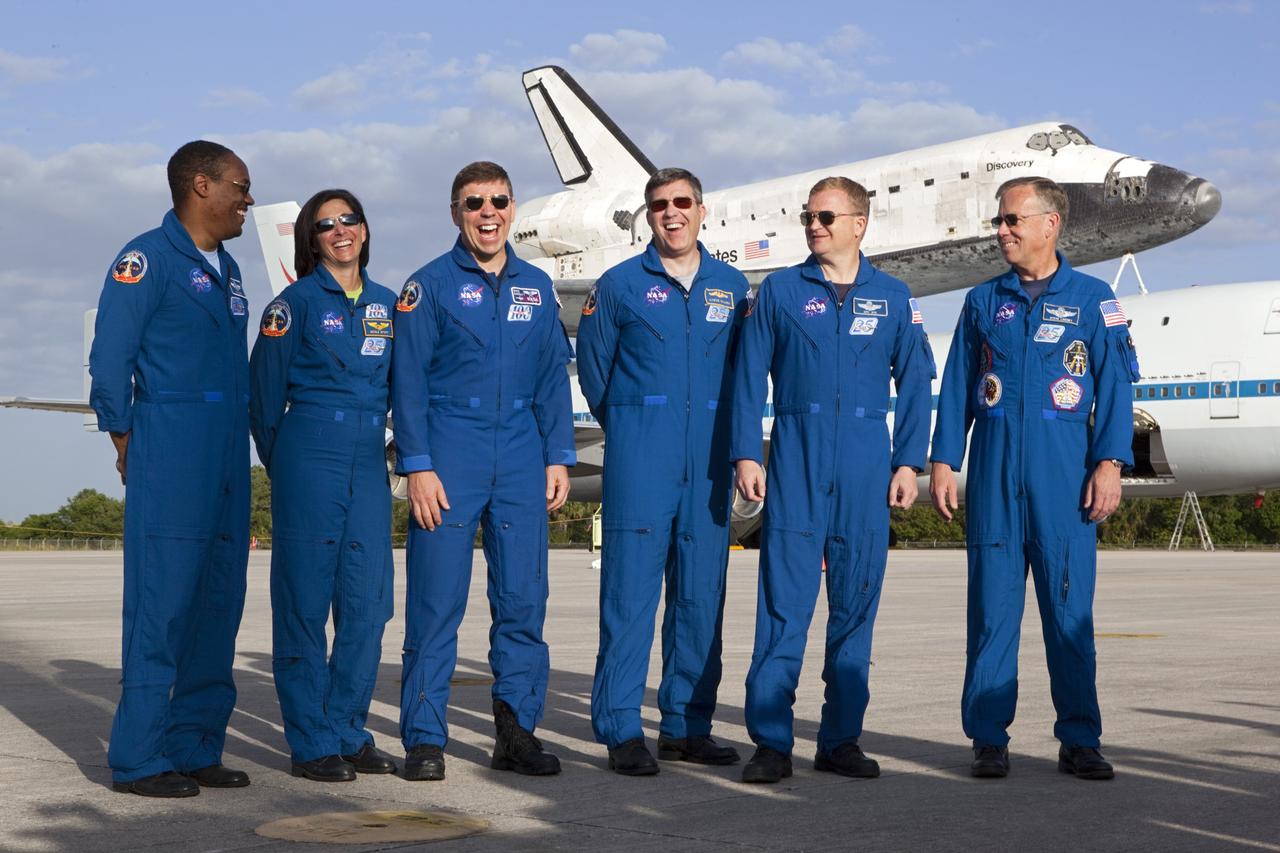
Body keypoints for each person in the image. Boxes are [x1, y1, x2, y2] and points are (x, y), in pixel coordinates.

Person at [929, 176, 1139, 781]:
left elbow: (1117, 389)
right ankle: (989, 738)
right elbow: (956, 391)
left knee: (1068, 614)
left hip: (1062, 478)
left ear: (1051, 224)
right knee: (992, 614)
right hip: (995, 475)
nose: (1002, 231)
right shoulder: (981, 302)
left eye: (1013, 220)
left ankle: (1079, 738)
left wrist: (1108, 463)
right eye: (1000, 221)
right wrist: (945, 460)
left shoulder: (1095, 300)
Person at [731, 177, 934, 784]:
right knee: (783, 607)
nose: (813, 225)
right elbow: (748, 376)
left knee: (855, 608)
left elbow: (918, 382)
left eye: (825, 216)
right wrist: (747, 453)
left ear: (858, 223)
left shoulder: (895, 298)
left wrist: (909, 462)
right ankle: (770, 742)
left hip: (866, 464)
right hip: (796, 457)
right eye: (807, 216)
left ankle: (840, 739)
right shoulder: (779, 292)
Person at [391, 161, 575, 781]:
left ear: (514, 208)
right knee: (436, 604)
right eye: (474, 203)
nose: (488, 213)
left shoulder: (536, 286)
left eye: (498, 201)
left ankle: (516, 732)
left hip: (522, 455)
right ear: (455, 213)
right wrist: (417, 465)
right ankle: (424, 737)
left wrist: (558, 456)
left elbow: (553, 376)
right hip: (450, 454)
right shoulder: (428, 286)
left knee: (524, 601)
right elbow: (407, 384)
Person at [89, 140, 254, 797]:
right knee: (162, 609)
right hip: (172, 451)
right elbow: (110, 358)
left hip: (225, 457)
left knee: (218, 605)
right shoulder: (146, 259)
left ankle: (194, 743)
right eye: (240, 186)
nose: (247, 198)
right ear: (201, 186)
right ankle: (138, 757)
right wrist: (125, 431)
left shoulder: (230, 267)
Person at [576, 168, 750, 775]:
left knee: (701, 597)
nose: (670, 213)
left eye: (681, 203)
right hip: (641, 459)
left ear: (703, 210)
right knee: (629, 598)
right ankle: (621, 728)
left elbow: (746, 376)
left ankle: (686, 725)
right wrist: (634, 423)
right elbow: (595, 373)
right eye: (658, 205)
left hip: (708, 465)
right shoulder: (619, 285)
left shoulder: (734, 286)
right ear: (647, 216)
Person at [249, 190, 399, 782]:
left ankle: (348, 730)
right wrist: (286, 465)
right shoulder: (293, 305)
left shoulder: (390, 305)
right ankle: (311, 741)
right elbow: (262, 399)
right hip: (308, 454)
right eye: (326, 225)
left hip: (368, 459)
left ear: (364, 229)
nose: (340, 231)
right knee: (305, 605)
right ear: (311, 241)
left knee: (368, 607)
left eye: (349, 220)